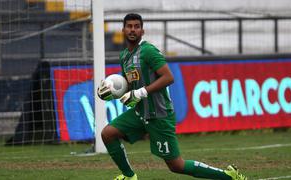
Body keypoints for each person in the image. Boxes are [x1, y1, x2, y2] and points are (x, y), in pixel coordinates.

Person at [97, 13, 247, 180]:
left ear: (142, 31)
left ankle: (229, 176)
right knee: (108, 133)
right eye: (129, 26)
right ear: (123, 30)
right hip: (140, 113)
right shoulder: (124, 56)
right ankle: (129, 176)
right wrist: (113, 89)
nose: (133, 30)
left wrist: (141, 92)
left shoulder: (148, 51)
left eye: (136, 26)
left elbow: (168, 77)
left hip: (159, 115)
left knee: (176, 165)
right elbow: (131, 82)